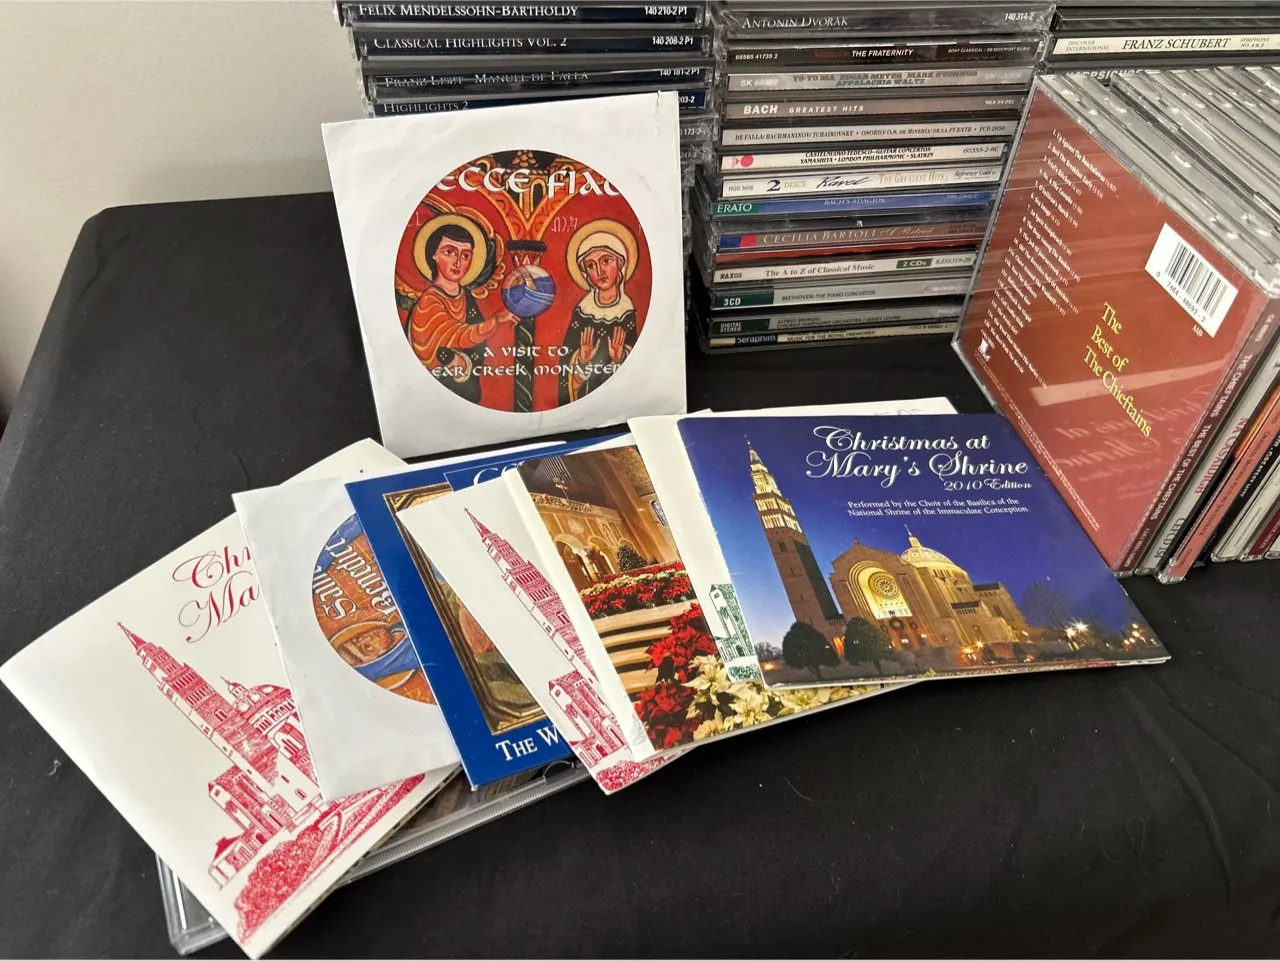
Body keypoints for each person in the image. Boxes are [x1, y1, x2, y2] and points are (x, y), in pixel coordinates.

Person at [406, 219, 516, 405]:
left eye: (465, 256)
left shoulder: (466, 297)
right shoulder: (429, 301)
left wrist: (465, 363)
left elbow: (477, 347)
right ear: (434, 254)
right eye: (449, 252)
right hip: (435, 391)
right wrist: (496, 320)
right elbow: (458, 335)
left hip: (466, 391)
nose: (458, 262)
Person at [559, 228, 639, 405]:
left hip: (619, 402)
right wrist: (582, 360)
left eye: (606, 261)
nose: (600, 271)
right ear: (586, 274)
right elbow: (565, 370)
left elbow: (643, 366)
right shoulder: (583, 312)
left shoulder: (628, 312)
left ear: (620, 263)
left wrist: (620, 358)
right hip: (585, 402)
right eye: (591, 266)